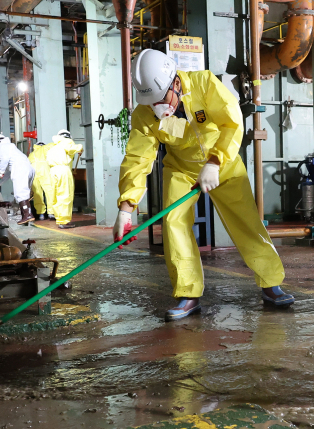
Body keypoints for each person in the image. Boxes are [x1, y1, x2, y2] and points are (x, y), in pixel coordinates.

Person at [113, 49, 294, 322]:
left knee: (246, 222)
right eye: (151, 102)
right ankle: (188, 294)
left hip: (224, 164)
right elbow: (138, 158)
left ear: (175, 83)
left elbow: (232, 122)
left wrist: (215, 161)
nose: (158, 107)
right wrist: (126, 209)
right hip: (181, 170)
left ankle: (271, 284)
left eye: (161, 99)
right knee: (174, 225)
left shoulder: (204, 83)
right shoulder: (145, 114)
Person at [0, 133, 35, 225]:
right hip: (28, 168)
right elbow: (8, 173)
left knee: (20, 193)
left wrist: (0, 172)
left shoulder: (3, 147)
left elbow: (4, 161)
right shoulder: (12, 149)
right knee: (24, 194)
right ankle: (25, 216)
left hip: (20, 169)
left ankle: (28, 215)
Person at [46, 129, 83, 229]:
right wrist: (80, 147)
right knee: (65, 195)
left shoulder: (54, 146)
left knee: (56, 195)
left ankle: (59, 218)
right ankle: (64, 221)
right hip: (63, 170)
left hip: (53, 170)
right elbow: (71, 148)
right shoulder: (66, 141)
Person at [29, 141, 55, 221]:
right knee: (49, 192)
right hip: (45, 171)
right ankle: (51, 213)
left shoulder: (31, 154)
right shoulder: (46, 149)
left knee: (37, 194)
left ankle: (41, 214)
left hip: (33, 172)